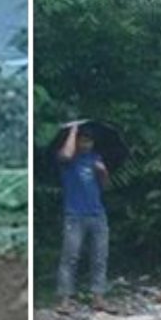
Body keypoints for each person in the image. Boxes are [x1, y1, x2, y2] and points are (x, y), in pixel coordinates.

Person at [55, 122, 113, 309]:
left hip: (97, 213)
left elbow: (105, 187)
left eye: (89, 141)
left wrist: (103, 172)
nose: (86, 144)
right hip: (74, 214)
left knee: (99, 256)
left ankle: (98, 297)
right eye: (83, 141)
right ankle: (65, 298)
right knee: (71, 256)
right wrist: (73, 130)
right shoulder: (68, 161)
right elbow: (65, 154)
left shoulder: (95, 159)